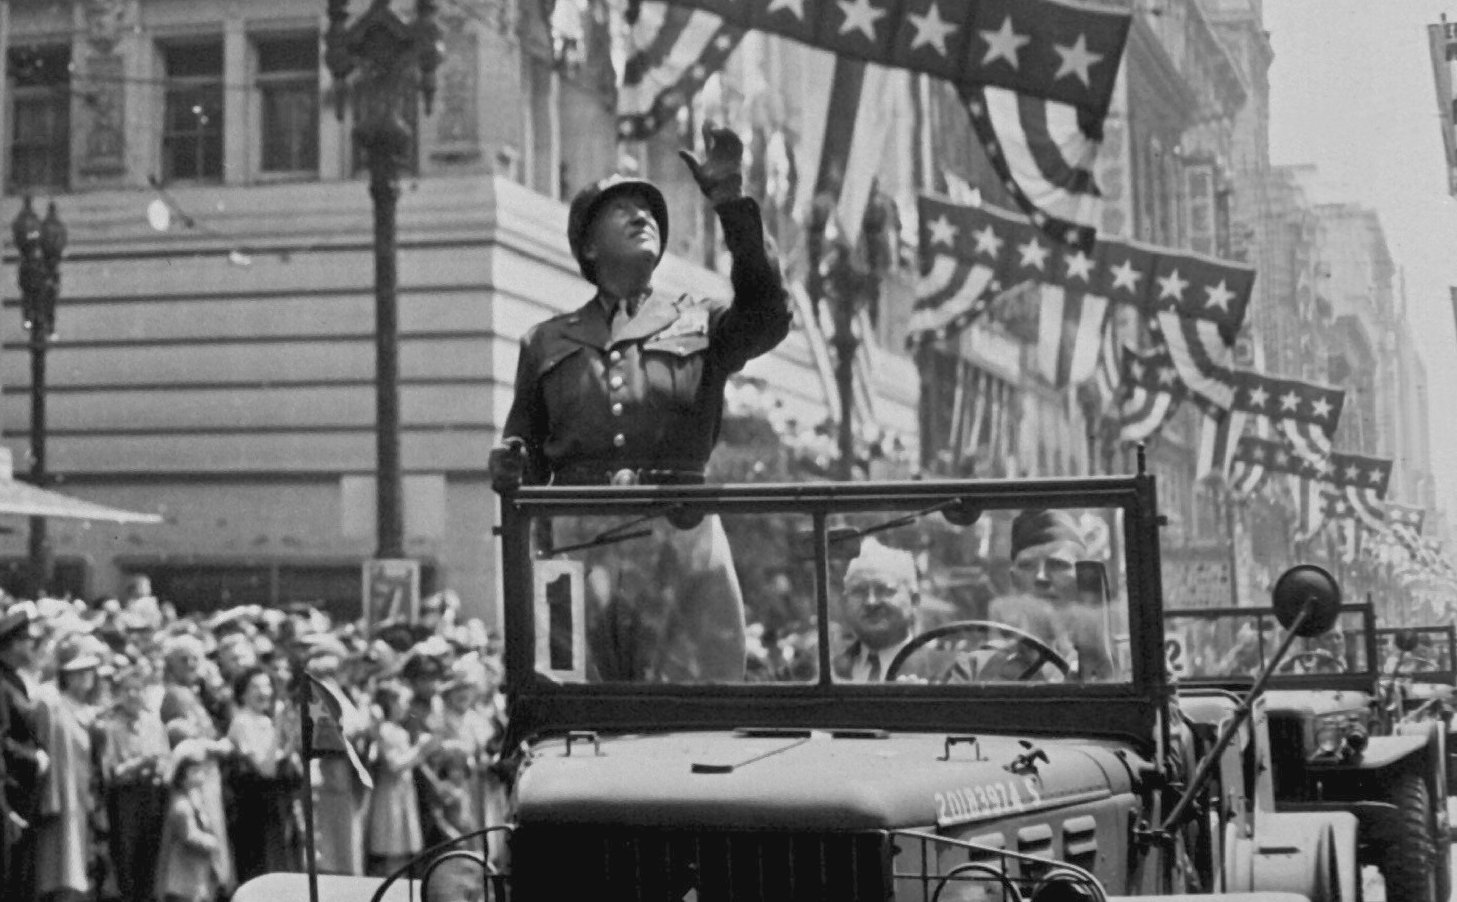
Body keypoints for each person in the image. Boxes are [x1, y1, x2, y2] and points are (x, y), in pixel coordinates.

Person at [489, 122, 791, 684]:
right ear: (588, 245)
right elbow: (524, 450)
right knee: (569, 702)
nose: (642, 215)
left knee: (696, 709)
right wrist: (509, 462)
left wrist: (732, 206)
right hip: (577, 545)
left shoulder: (699, 321)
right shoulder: (546, 342)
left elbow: (768, 315)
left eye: (650, 209)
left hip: (682, 539)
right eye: (621, 208)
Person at [995, 509, 1116, 681]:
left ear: (1080, 579)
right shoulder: (976, 666)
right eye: (1027, 565)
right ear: (1014, 579)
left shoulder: (1122, 662)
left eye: (1058, 565)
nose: (1041, 577)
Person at [97, 659, 169, 902]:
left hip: (153, 796)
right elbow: (111, 772)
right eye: (126, 690)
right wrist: (139, 763)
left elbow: (166, 759)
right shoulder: (111, 727)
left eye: (137, 689)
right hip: (125, 798)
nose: (132, 695)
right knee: (126, 857)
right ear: (118, 694)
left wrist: (159, 767)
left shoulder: (154, 724)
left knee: (151, 856)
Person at [1, 604, 48, 902]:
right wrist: (33, 757)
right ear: (12, 644)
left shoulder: (15, 680)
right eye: (28, 641)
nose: (33, 646)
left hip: (24, 791)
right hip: (10, 793)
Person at [155, 749, 225, 902]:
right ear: (183, 776)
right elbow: (189, 836)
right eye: (195, 771)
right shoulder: (181, 805)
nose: (201, 775)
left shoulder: (194, 797)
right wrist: (212, 843)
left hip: (196, 871)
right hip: (183, 874)